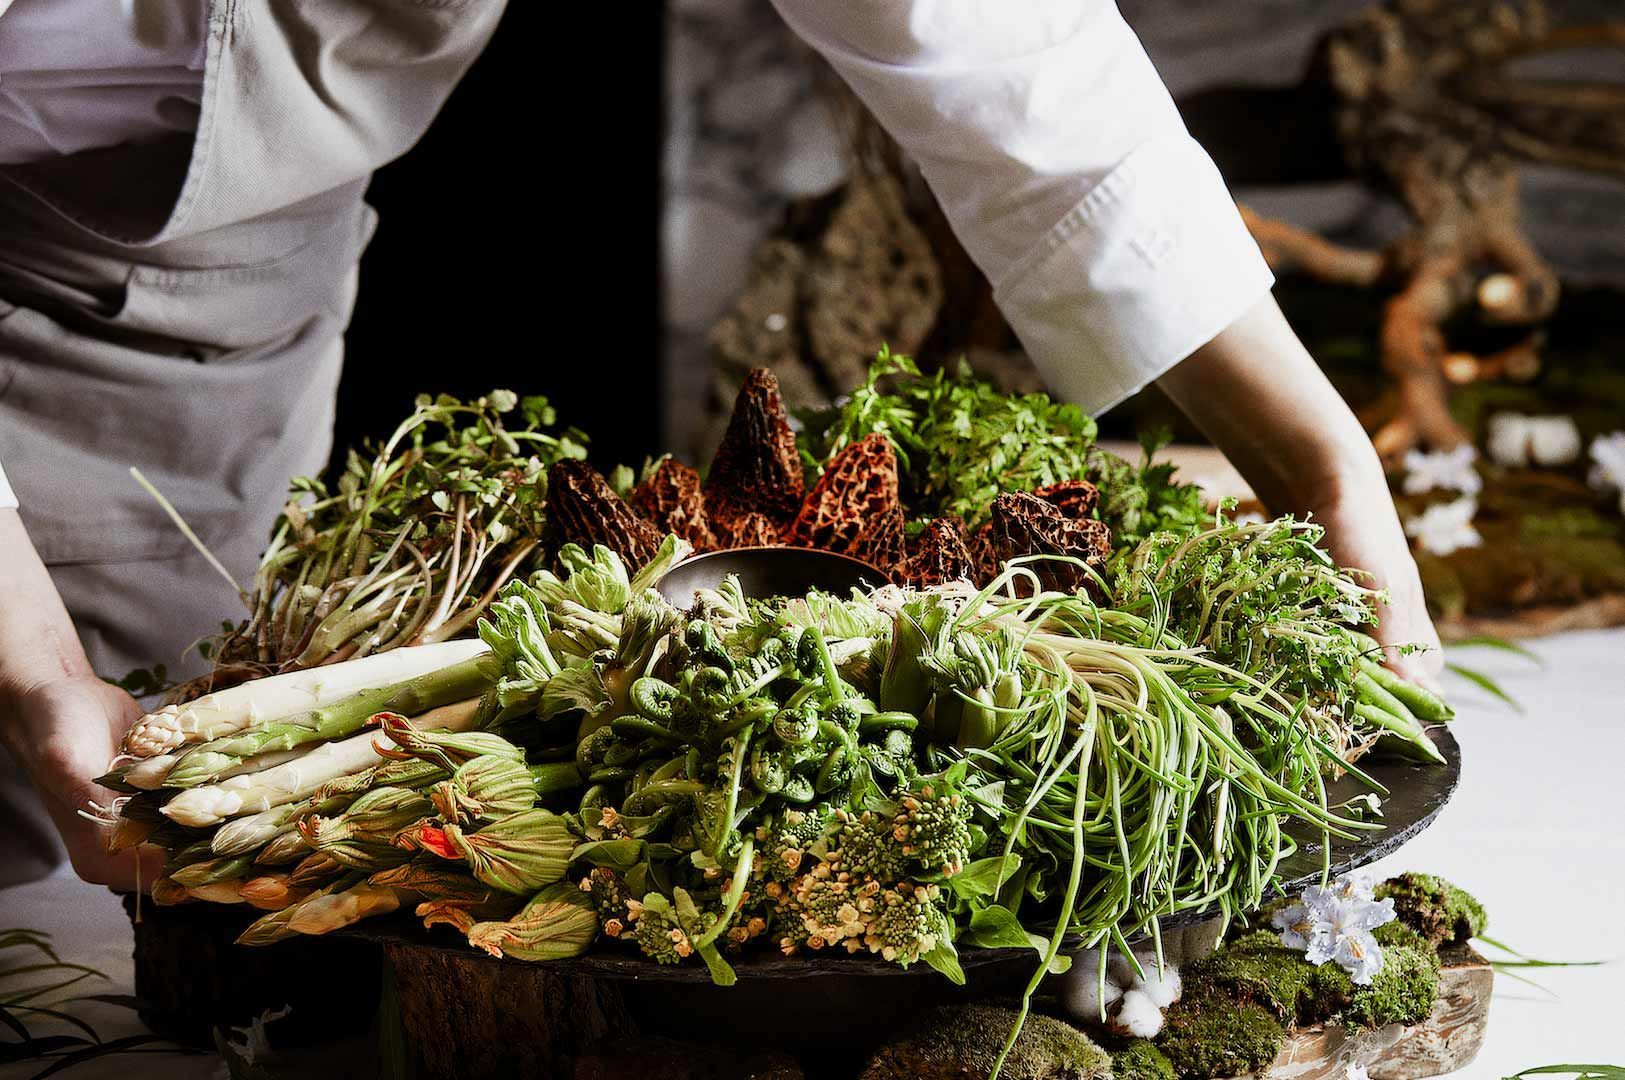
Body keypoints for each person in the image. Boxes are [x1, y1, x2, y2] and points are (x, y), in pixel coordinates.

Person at [0, 0, 1441, 893]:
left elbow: (1008, 66)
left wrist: (1322, 462)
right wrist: (33, 666)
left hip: (178, 268)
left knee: (96, 828)